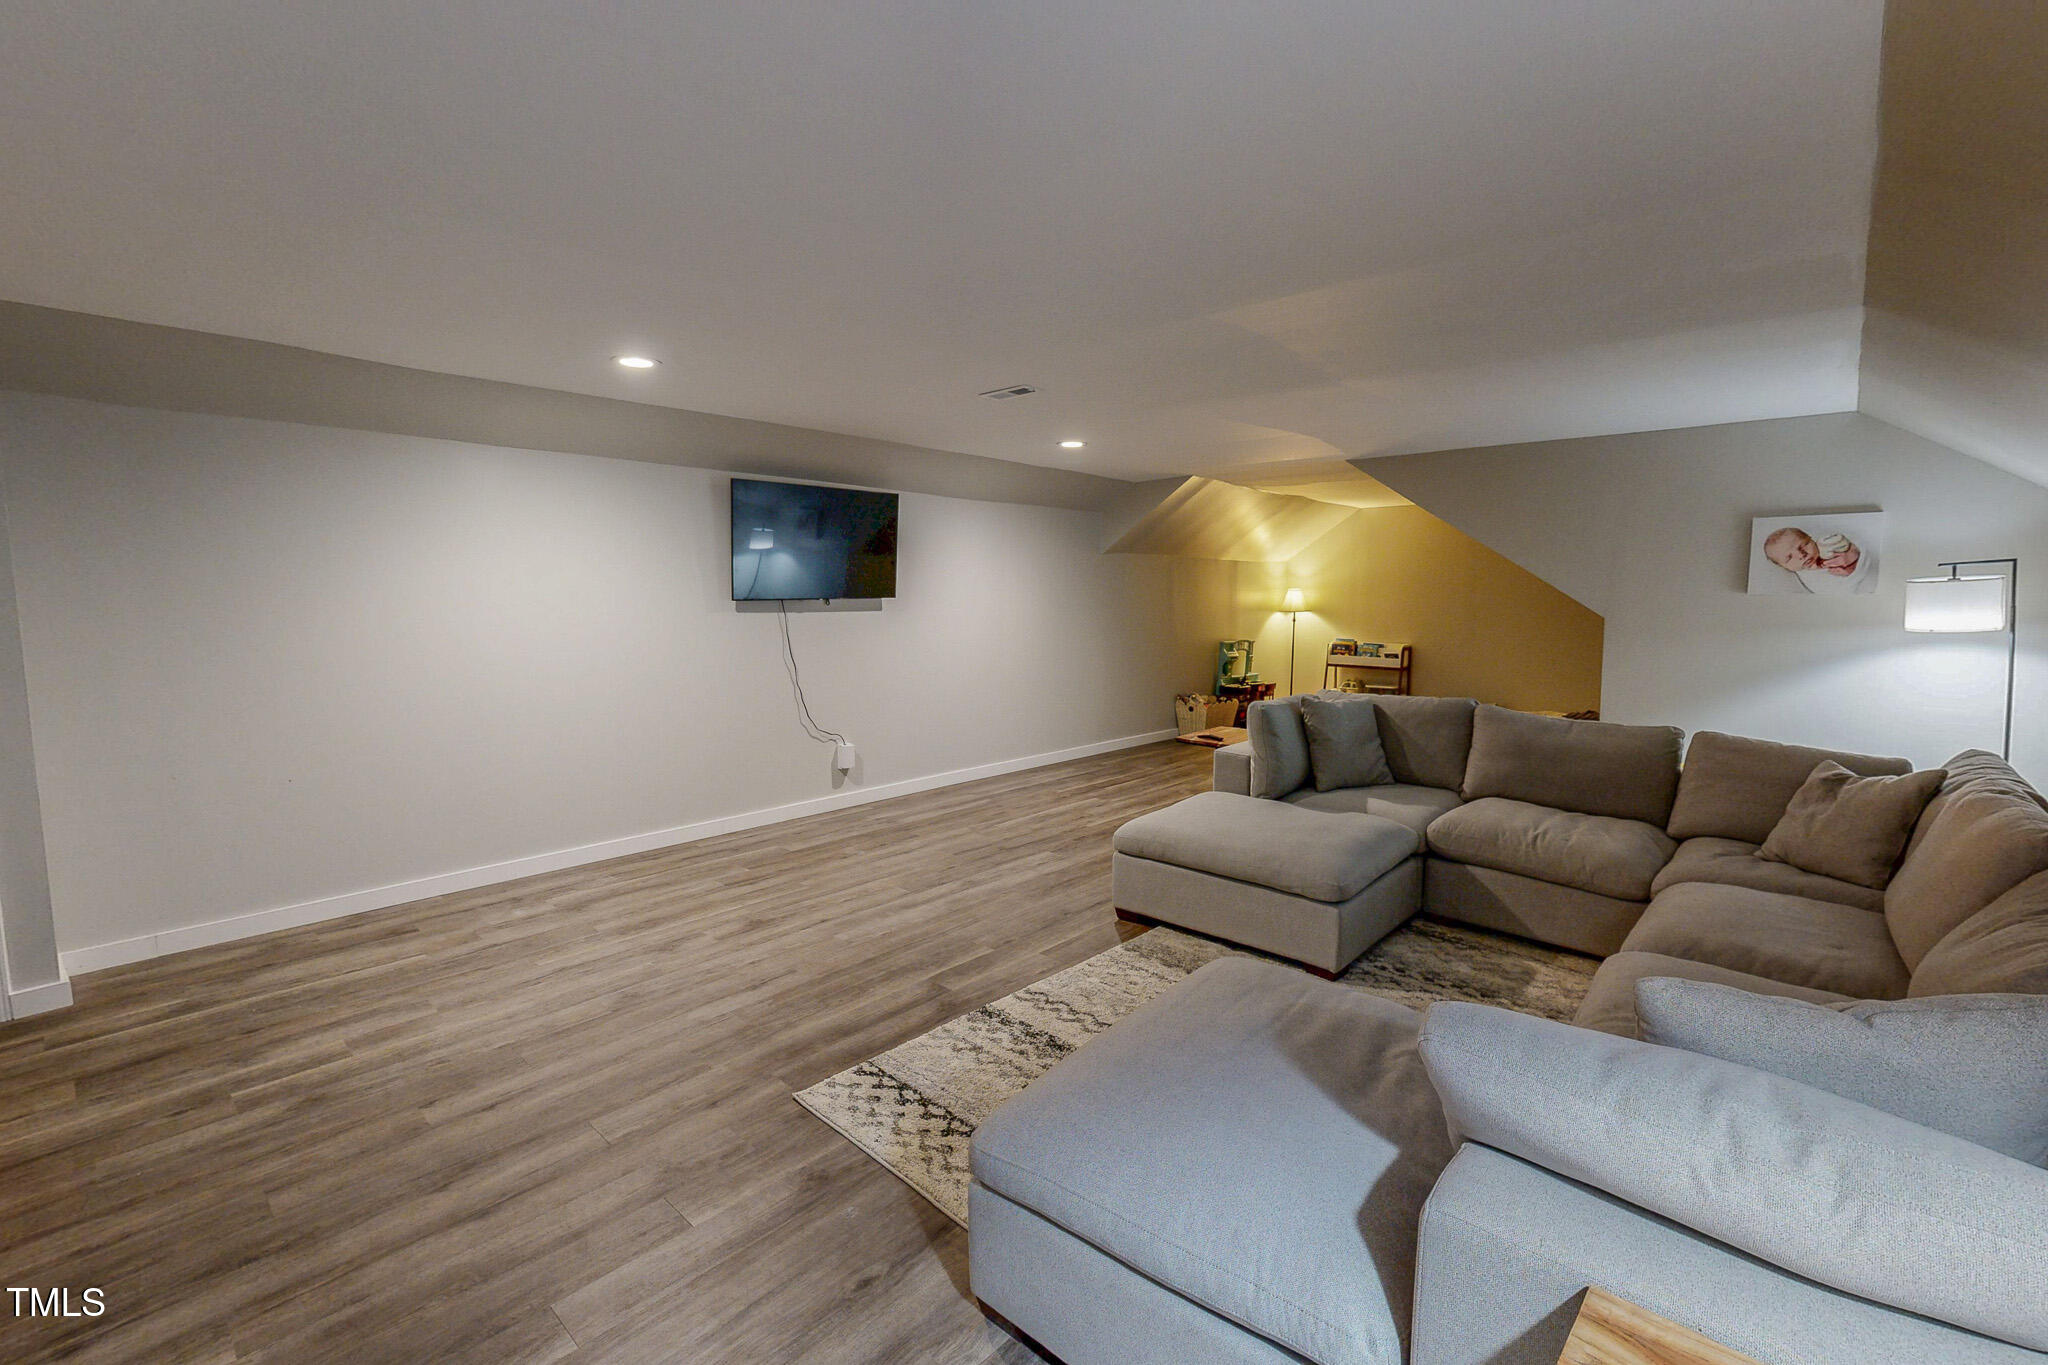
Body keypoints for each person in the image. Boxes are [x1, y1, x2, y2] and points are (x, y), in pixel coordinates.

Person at [1762, 526, 1872, 594]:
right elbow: (1841, 592)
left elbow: (1864, 544)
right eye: (1789, 557)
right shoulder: (1813, 579)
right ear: (1784, 567)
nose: (1801, 555)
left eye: (1804, 545)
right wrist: (1852, 571)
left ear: (1811, 539)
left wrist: (1856, 552)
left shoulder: (1826, 544)